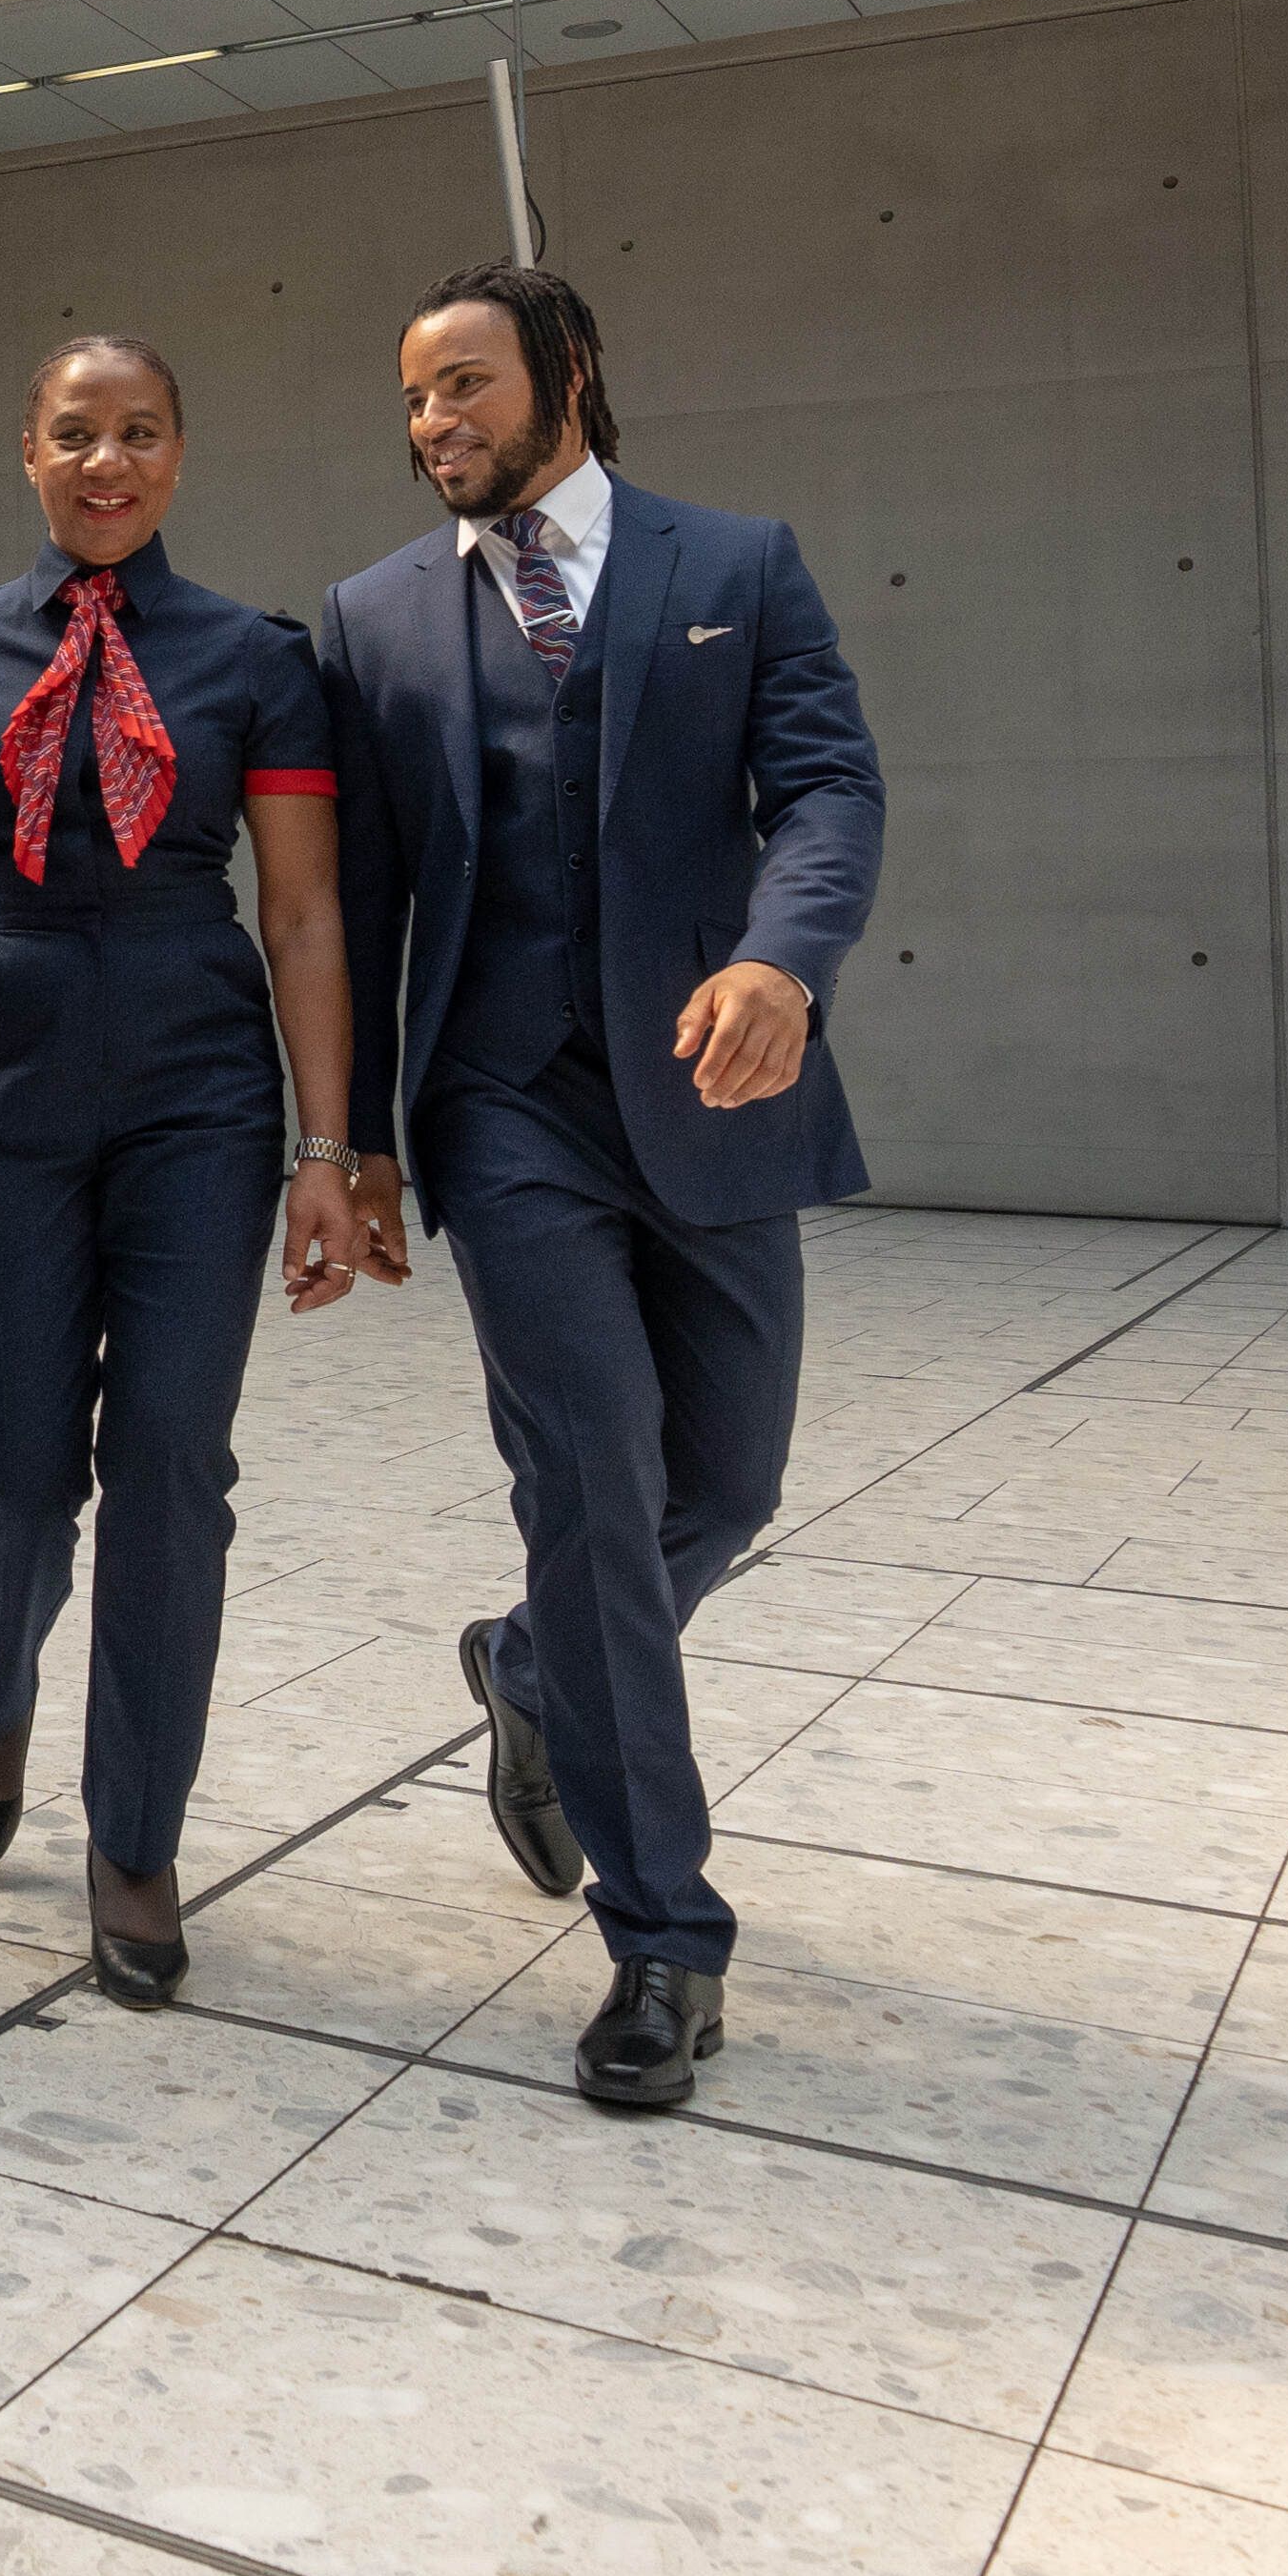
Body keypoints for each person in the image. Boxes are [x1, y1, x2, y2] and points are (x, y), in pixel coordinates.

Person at [306, 261, 883, 2115]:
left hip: (713, 1091)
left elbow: (828, 792)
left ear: (566, 377)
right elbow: (355, 908)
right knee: (593, 1472)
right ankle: (661, 1937)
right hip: (504, 1117)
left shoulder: (733, 568)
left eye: (462, 387)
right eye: (409, 400)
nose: (430, 426)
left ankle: (532, 1663)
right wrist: (355, 1141)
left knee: (726, 1480)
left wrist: (783, 962)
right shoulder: (372, 619)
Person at [0, 335, 367, 2011]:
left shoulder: (253, 657)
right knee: (9, 1464)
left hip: (193, 1082)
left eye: (137, 431)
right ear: (25, 450)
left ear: (176, 452)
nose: (106, 460)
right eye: (73, 432)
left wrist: (321, 1145)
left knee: (170, 1462)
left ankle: (135, 1835)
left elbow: (298, 909)